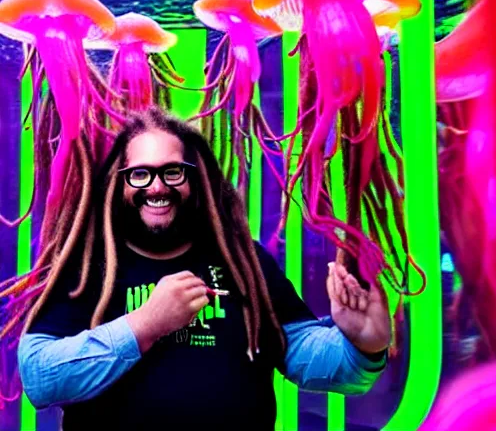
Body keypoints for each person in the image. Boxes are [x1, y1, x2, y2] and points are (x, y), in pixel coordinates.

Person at [17, 107, 391, 431]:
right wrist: (146, 324)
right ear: (120, 182)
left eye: (172, 172)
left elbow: (309, 361)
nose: (157, 187)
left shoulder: (243, 261)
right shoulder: (87, 266)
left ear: (196, 180)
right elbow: (40, 377)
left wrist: (363, 346)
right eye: (141, 174)